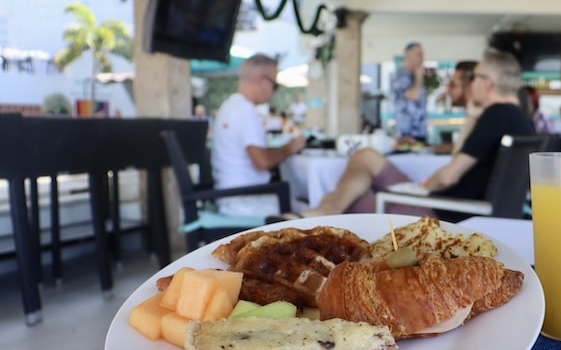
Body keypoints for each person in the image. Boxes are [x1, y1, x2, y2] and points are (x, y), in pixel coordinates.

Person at [281, 49, 534, 221]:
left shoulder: (497, 115)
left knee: (344, 199)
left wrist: (420, 188)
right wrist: (473, 115)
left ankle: (325, 209)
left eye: (476, 77)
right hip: (458, 207)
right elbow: (459, 159)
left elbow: (447, 177)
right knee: (366, 156)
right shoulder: (520, 119)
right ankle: (327, 208)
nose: (472, 84)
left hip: (442, 213)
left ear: (488, 83)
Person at [211, 53, 305, 217]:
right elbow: (262, 162)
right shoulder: (245, 110)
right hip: (245, 201)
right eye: (275, 85)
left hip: (230, 198)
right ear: (260, 79)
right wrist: (291, 147)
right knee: (312, 210)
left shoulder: (230, 106)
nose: (274, 91)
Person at [390, 42, 427, 144]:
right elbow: (414, 96)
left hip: (419, 132)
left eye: (422, 54)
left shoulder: (414, 76)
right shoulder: (401, 76)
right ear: (407, 55)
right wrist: (419, 77)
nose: (422, 57)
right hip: (406, 134)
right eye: (418, 54)